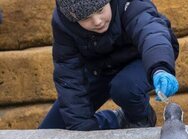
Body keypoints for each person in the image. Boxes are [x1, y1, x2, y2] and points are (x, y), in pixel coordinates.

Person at [39, 0, 179, 131]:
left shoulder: (130, 5)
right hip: (100, 69)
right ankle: (116, 120)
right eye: (86, 18)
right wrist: (82, 127)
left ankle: (141, 119)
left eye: (100, 10)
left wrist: (160, 67)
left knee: (124, 87)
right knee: (54, 127)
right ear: (72, 17)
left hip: (145, 59)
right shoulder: (63, 23)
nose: (97, 21)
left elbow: (151, 32)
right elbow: (68, 70)